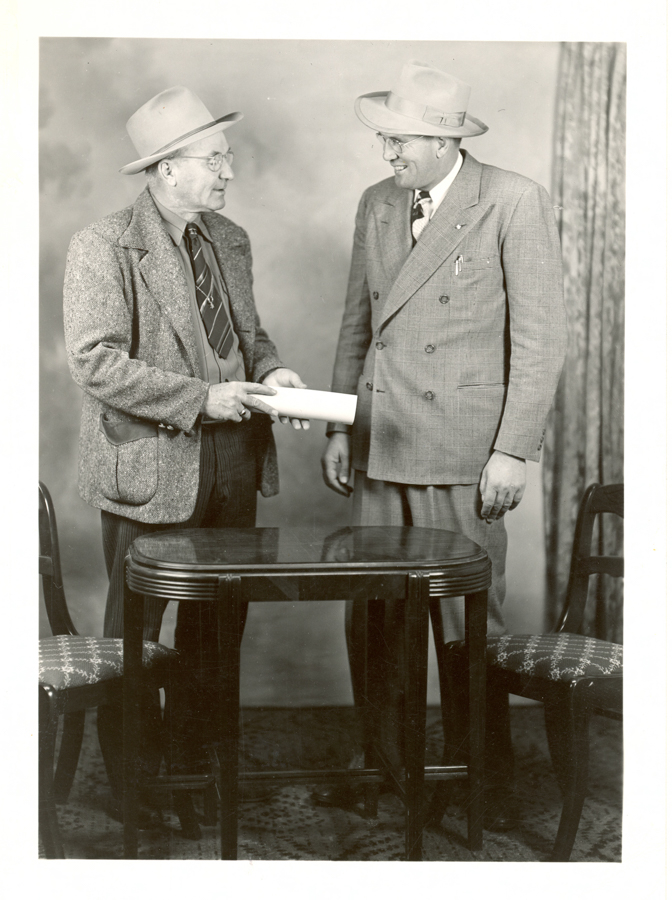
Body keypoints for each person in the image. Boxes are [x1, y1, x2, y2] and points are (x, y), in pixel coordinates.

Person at [319, 62, 567, 829]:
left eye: (396, 142)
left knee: (466, 628)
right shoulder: (377, 204)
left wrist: (512, 450)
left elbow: (541, 339)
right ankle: (383, 764)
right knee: (375, 620)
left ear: (440, 139)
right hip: (381, 443)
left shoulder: (512, 200)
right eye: (385, 141)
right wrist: (338, 424)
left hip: (465, 456)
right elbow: (359, 326)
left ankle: (482, 781)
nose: (386, 155)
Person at [63, 85, 308, 836]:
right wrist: (204, 400)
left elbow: (251, 335)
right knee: (136, 640)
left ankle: (197, 774)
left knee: (214, 636)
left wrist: (272, 375)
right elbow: (95, 363)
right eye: (215, 160)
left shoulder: (229, 239)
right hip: (151, 476)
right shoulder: (103, 245)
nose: (229, 172)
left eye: (227, 158)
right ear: (167, 169)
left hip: (235, 465)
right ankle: (137, 787)